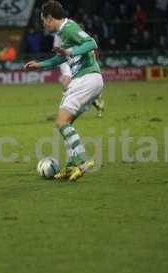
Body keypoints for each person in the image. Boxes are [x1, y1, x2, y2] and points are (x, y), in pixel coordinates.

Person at [25, 0, 103, 181]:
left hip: (86, 78)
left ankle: (83, 162)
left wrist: (70, 53)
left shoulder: (68, 28)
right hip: (89, 80)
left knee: (61, 122)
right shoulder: (62, 34)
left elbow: (91, 43)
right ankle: (69, 166)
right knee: (66, 124)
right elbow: (58, 60)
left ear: (50, 17)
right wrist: (40, 64)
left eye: (43, 20)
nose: (43, 24)